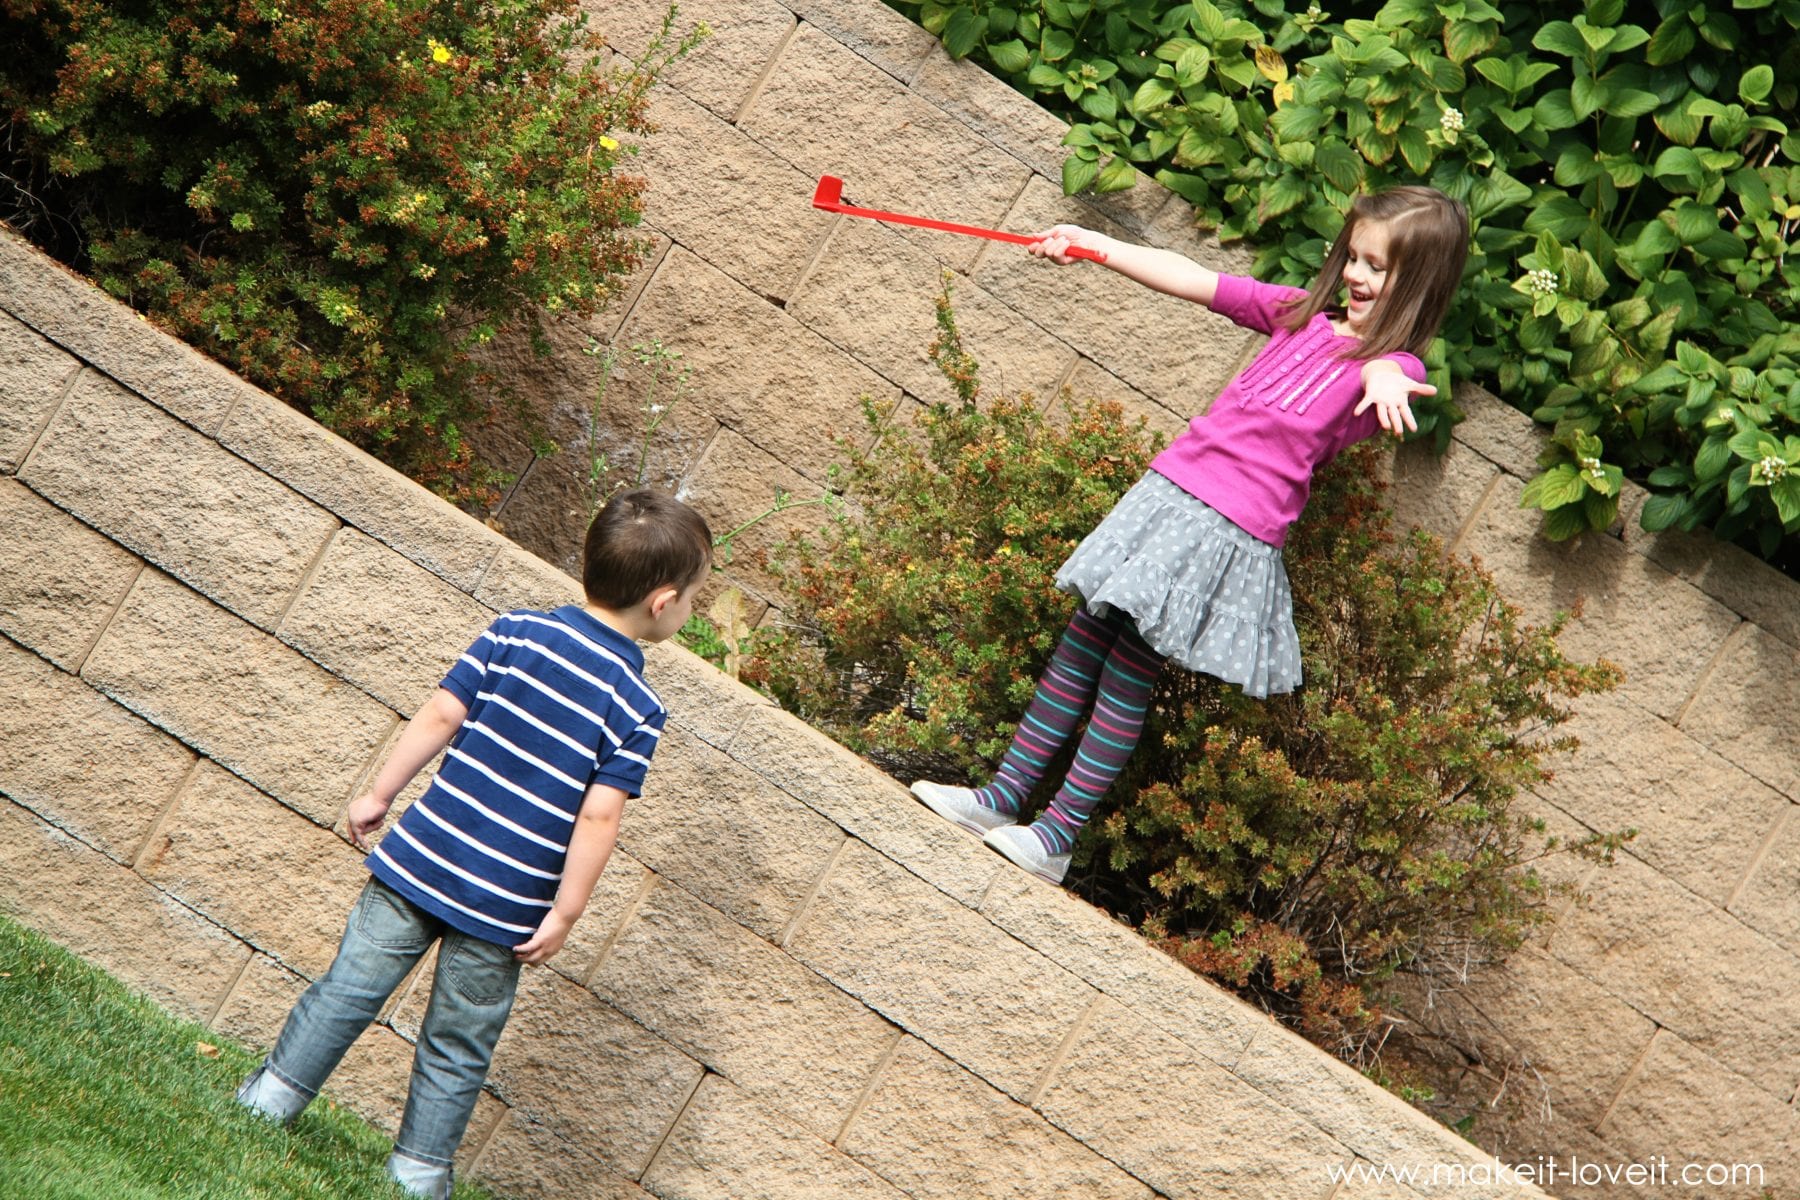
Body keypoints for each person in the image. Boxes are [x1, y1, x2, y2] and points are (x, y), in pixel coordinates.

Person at [911, 186, 1470, 886]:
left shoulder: (1392, 370)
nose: (1356, 274)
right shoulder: (1299, 314)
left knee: (1129, 669)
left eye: (1378, 267)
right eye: (1353, 257)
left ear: (1419, 283)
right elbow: (1196, 279)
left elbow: (1394, 368)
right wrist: (1096, 245)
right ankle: (1001, 798)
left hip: (1223, 531)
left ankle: (1056, 836)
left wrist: (1385, 377)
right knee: (1082, 641)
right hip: (1169, 496)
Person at [234, 488, 712, 1199]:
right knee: (459, 1041)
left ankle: (271, 1098)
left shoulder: (514, 631)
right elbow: (599, 819)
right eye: (696, 598)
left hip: (421, 860)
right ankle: (418, 1171)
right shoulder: (637, 707)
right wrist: (566, 911)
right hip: (507, 905)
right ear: (663, 602)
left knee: (350, 987)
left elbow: (441, 713)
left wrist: (379, 794)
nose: (691, 609)